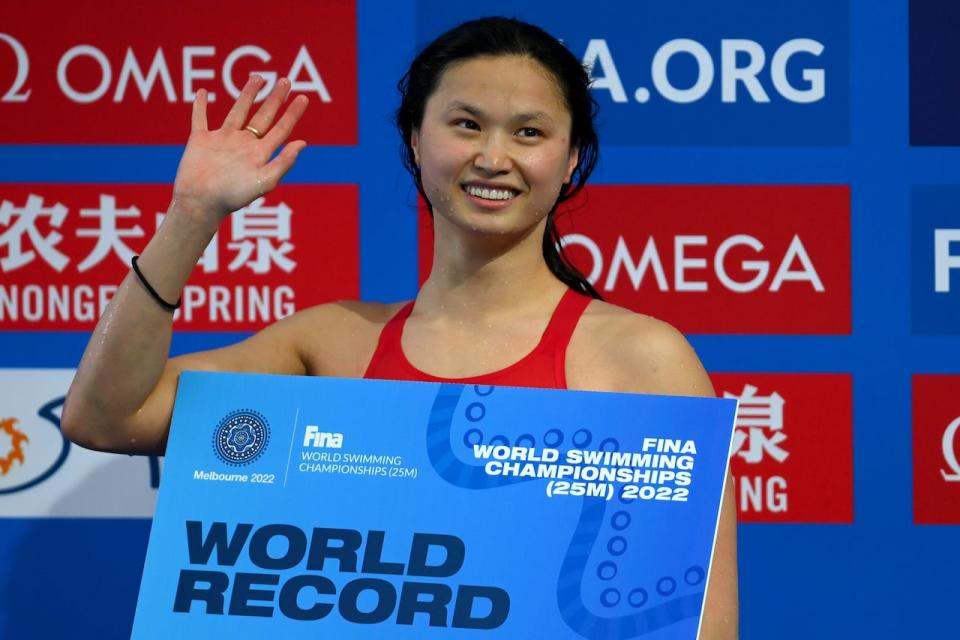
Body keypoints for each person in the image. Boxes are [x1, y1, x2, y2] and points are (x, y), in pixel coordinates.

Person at [62, 17, 737, 638]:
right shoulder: (330, 342)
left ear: (569, 160)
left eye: (529, 132)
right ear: (416, 140)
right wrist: (191, 214)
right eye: (466, 124)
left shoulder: (639, 359)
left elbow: (696, 624)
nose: (494, 157)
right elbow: (103, 416)